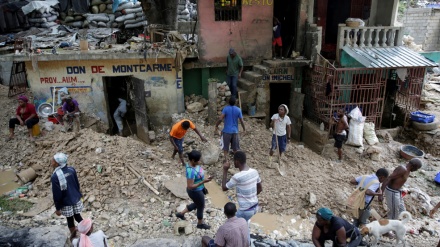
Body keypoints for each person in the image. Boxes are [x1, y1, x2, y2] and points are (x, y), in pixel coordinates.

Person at [222, 151, 262, 244]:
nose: (233, 163)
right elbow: (260, 188)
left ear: (237, 161)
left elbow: (224, 187)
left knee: (229, 225)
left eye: (234, 161)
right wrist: (251, 196)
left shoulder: (237, 176)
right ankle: (247, 243)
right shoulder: (254, 171)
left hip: (245, 210)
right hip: (255, 207)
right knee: (244, 225)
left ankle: (226, 243)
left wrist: (225, 170)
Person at [175, 150, 213, 229]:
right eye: (198, 160)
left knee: (197, 204)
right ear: (192, 160)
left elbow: (198, 177)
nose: (199, 161)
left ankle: (181, 214)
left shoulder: (195, 165)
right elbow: (190, 186)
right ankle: (200, 224)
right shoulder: (190, 171)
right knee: (200, 206)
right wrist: (203, 181)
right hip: (195, 191)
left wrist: (203, 185)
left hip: (200, 189)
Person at [50, 153, 84, 234]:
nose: (51, 161)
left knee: (70, 219)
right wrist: (79, 195)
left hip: (66, 202)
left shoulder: (55, 176)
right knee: (77, 216)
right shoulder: (71, 170)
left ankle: (74, 237)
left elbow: (57, 194)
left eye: (53, 160)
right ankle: (87, 232)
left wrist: (58, 208)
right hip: (75, 198)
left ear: (57, 163)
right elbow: (77, 184)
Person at [215, 96, 246, 162]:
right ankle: (237, 160)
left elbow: (220, 118)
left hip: (226, 131)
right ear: (235, 102)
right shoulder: (238, 109)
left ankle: (226, 159)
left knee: (226, 147)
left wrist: (216, 125)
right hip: (235, 131)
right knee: (235, 148)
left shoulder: (225, 109)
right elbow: (241, 121)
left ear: (228, 102)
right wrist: (244, 129)